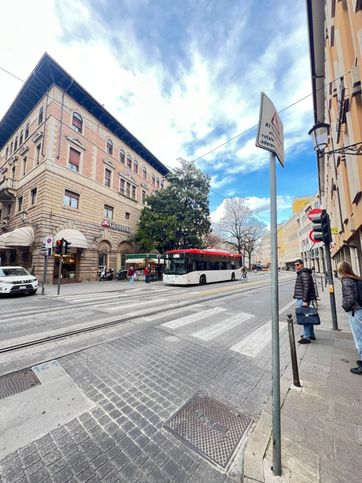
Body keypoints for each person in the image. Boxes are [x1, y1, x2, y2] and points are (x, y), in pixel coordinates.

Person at [336, 261, 362, 375]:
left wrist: (345, 307)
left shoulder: (346, 281)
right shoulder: (356, 278)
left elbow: (350, 299)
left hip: (354, 311)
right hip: (359, 309)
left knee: (359, 338)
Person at [293, 259, 317, 344]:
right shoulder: (303, 273)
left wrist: (305, 300)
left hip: (303, 298)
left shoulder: (304, 274)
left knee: (305, 317)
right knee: (308, 316)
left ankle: (306, 337)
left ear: (302, 265)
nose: (296, 266)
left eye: (298, 264)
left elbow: (306, 287)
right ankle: (311, 334)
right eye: (295, 265)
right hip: (302, 298)